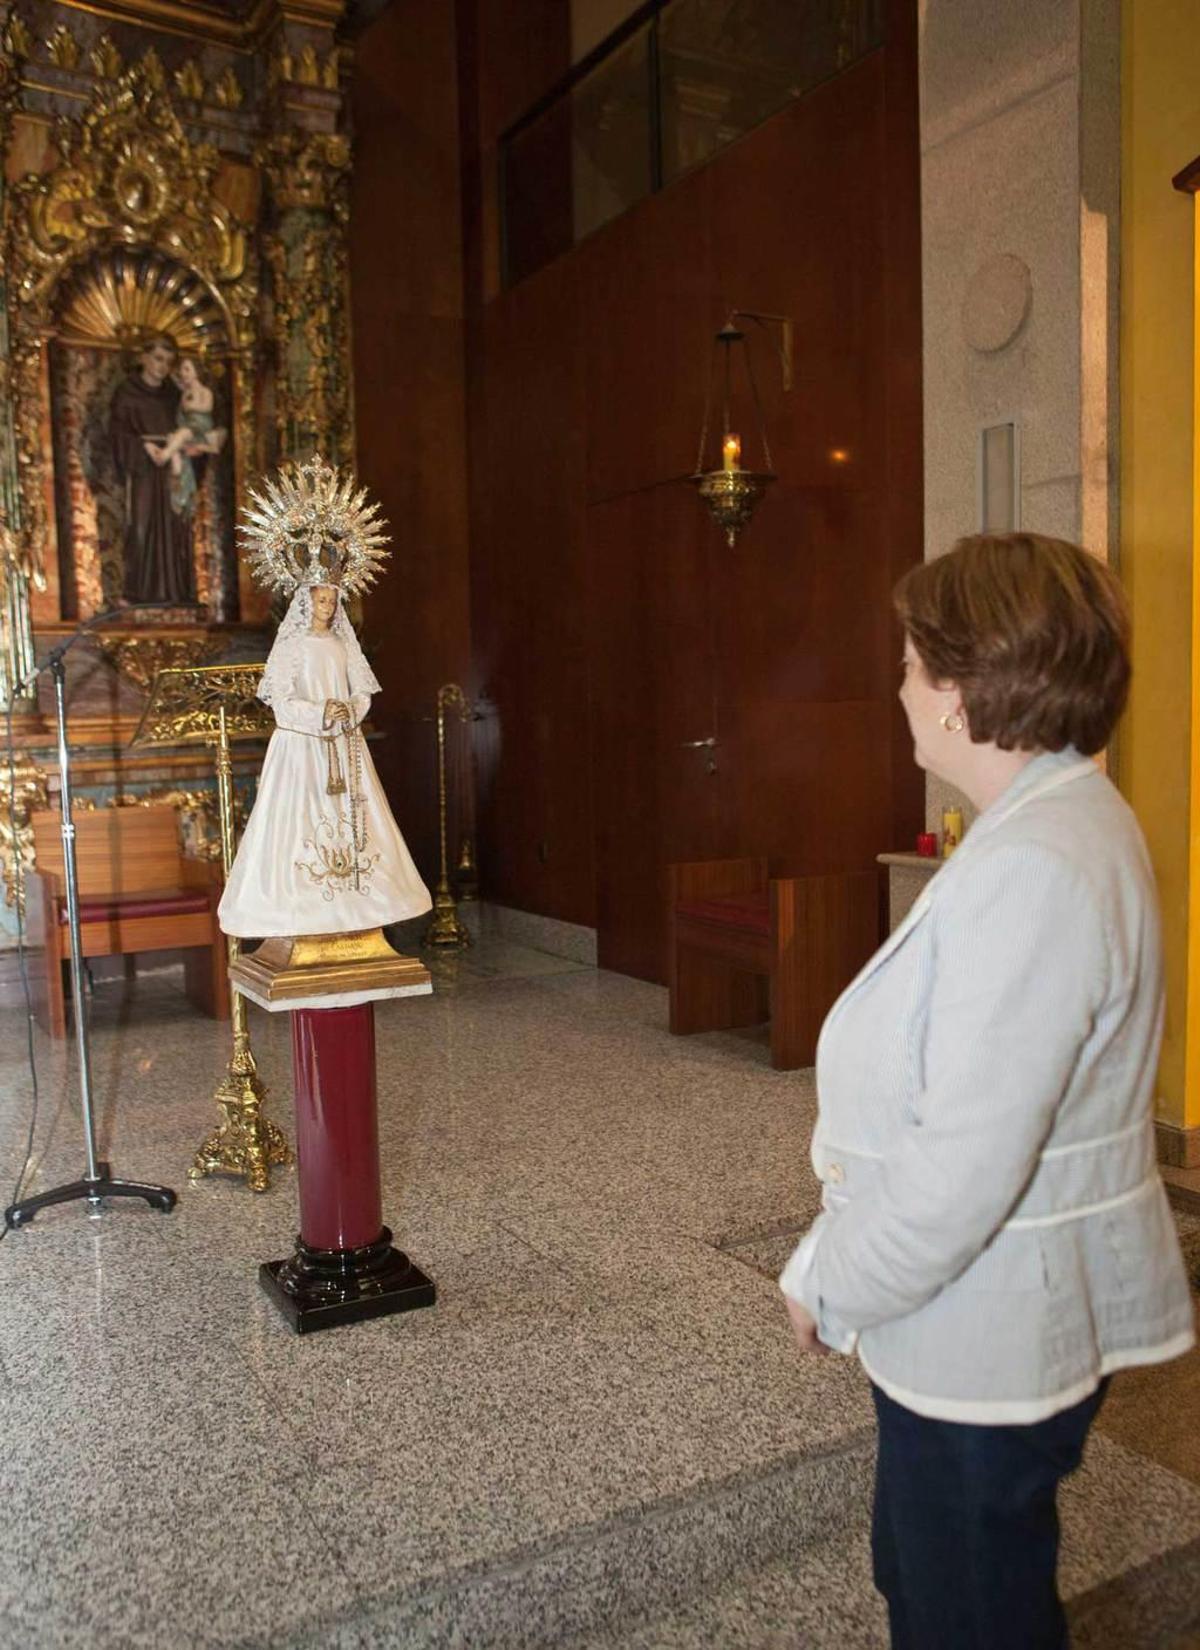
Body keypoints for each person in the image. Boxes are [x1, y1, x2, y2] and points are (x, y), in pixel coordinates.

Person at [778, 533, 1194, 1649]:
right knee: (930, 1575)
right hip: (993, 1316)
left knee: (965, 1611)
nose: (900, 685)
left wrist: (831, 1278)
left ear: (962, 693)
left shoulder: (1039, 866)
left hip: (991, 1326)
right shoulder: (1051, 824)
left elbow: (963, 1170)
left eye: (913, 662)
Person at [218, 582, 431, 938]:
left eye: (333, 601)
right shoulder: (292, 646)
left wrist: (350, 708)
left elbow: (362, 691)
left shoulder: (342, 644)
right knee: (300, 821)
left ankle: (356, 909)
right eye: (321, 600)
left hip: (345, 745)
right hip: (302, 748)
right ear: (307, 601)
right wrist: (320, 711)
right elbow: (281, 703)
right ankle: (301, 911)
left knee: (358, 820)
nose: (328, 606)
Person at [108, 334, 195, 605]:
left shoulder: (175, 395)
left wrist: (176, 449)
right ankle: (138, 594)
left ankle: (176, 593)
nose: (162, 366)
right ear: (144, 357)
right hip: (143, 469)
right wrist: (143, 448)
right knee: (142, 527)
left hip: (172, 468)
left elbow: (193, 427)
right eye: (158, 358)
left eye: (168, 361)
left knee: (176, 529)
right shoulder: (127, 392)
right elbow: (117, 432)